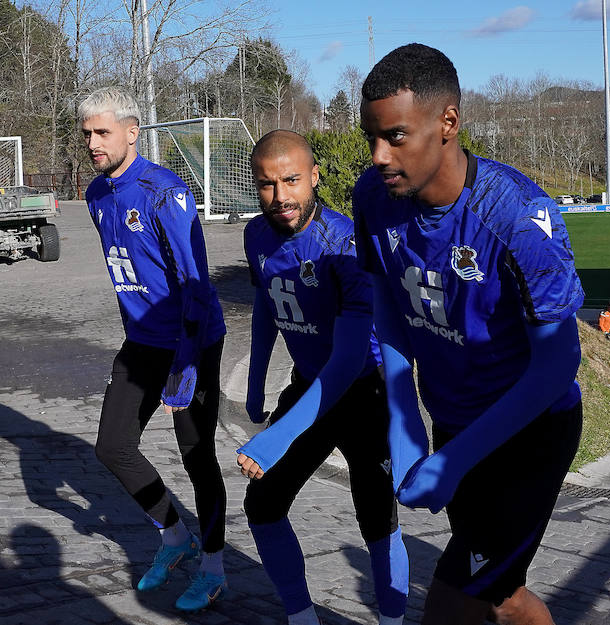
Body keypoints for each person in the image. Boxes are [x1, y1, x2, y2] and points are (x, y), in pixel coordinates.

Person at [352, 44, 585, 625]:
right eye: (371, 138)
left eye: (396, 136)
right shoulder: (372, 198)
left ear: (448, 123)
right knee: (501, 596)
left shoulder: (517, 217)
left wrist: (453, 460)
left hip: (529, 434)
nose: (379, 156)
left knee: (452, 603)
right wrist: (406, 423)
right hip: (453, 419)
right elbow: (388, 303)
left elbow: (557, 366)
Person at [236, 130, 409, 625]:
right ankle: (301, 616)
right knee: (263, 505)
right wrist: (254, 381)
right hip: (307, 384)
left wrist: (275, 439)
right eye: (267, 184)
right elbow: (268, 308)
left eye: (291, 180)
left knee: (377, 522)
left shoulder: (344, 244)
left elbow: (350, 358)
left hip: (362, 392)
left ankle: (392, 620)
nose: (280, 196)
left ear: (314, 176)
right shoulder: (255, 235)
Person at [79, 87, 229, 612]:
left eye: (103, 132)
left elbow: (195, 285)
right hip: (142, 341)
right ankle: (173, 535)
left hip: (192, 343)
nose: (93, 143)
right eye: (87, 134)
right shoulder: (98, 195)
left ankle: (213, 567)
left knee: (197, 457)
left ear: (131, 131)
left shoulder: (164, 192)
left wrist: (187, 364)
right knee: (112, 446)